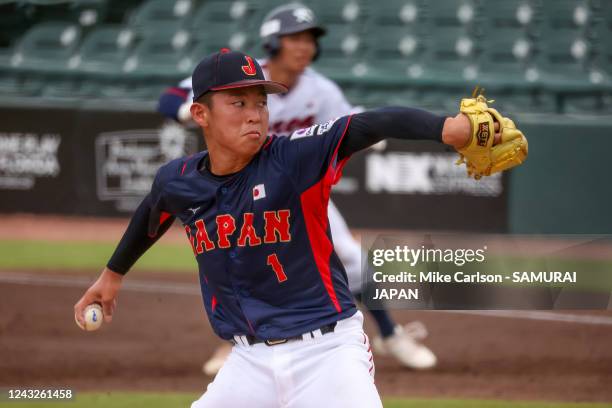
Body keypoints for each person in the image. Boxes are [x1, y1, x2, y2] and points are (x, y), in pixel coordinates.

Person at [74, 45, 516, 406]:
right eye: (238, 102)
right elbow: (153, 213)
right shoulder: (179, 179)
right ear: (201, 114)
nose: (255, 114)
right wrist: (112, 276)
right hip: (246, 364)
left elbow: (371, 122)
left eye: (261, 102)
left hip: (327, 354)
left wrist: (448, 128)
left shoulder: (293, 158)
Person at [157, 3, 436, 376]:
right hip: (236, 188)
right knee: (236, 260)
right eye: (296, 38)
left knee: (351, 257)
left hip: (296, 194)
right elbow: (169, 97)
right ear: (273, 42)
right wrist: (189, 111)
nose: (305, 47)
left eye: (310, 40)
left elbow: (349, 122)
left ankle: (389, 333)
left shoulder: (321, 90)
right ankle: (234, 346)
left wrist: (374, 135)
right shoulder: (241, 75)